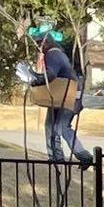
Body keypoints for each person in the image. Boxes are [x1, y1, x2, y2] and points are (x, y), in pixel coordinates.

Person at [36, 22, 91, 165]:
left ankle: (56, 158)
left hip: (64, 97)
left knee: (53, 127)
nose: (38, 48)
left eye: (38, 43)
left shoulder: (52, 54)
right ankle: (83, 156)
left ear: (46, 43)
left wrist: (36, 79)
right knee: (63, 127)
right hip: (71, 96)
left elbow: (51, 74)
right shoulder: (60, 53)